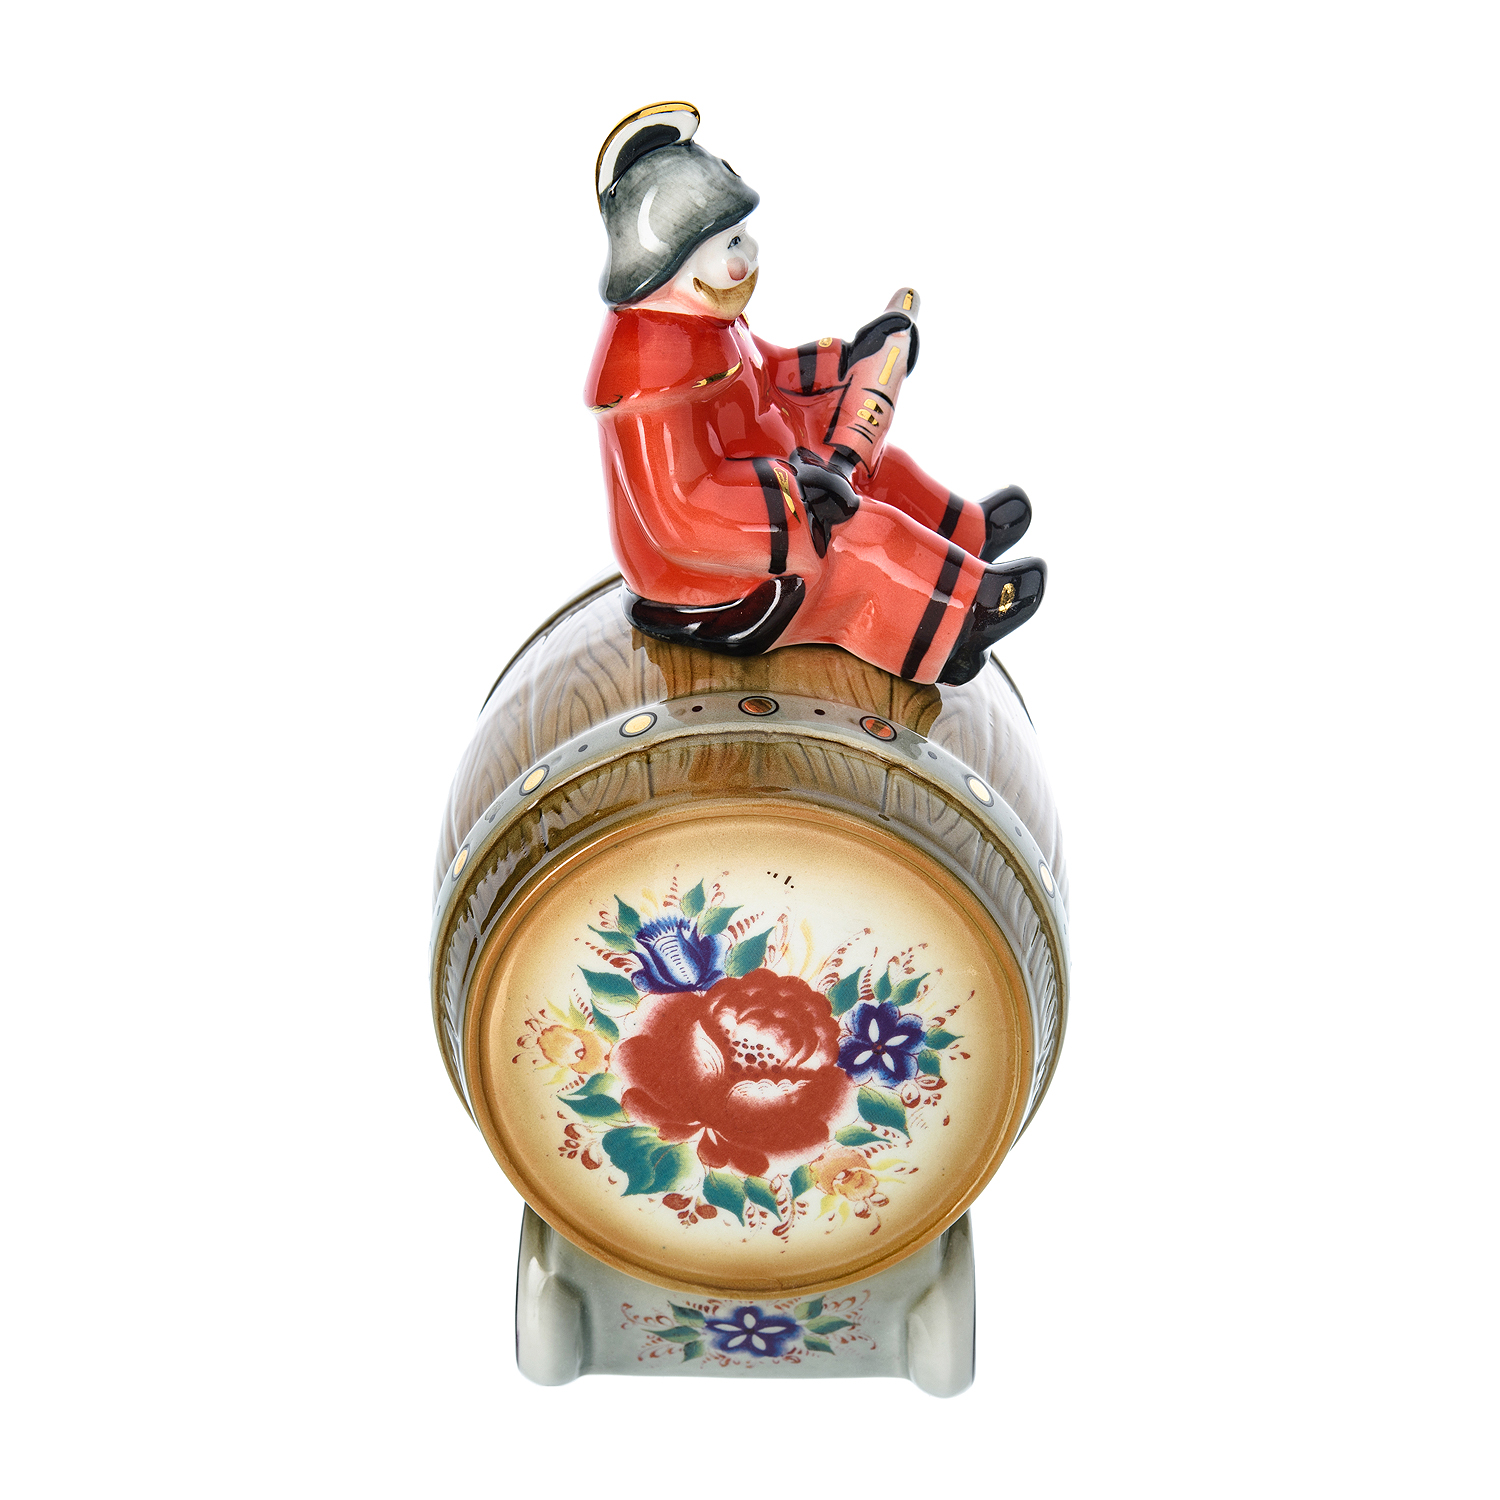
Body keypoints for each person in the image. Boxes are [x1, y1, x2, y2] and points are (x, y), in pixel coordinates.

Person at [585, 103, 1045, 685]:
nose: (747, 254)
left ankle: (968, 534)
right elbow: (681, 510)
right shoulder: (646, 381)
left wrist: (850, 361)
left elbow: (770, 370)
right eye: (729, 243)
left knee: (882, 468)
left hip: (771, 469)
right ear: (671, 266)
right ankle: (961, 620)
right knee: (859, 538)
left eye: (742, 235)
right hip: (706, 569)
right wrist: (796, 501)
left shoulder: (708, 322)